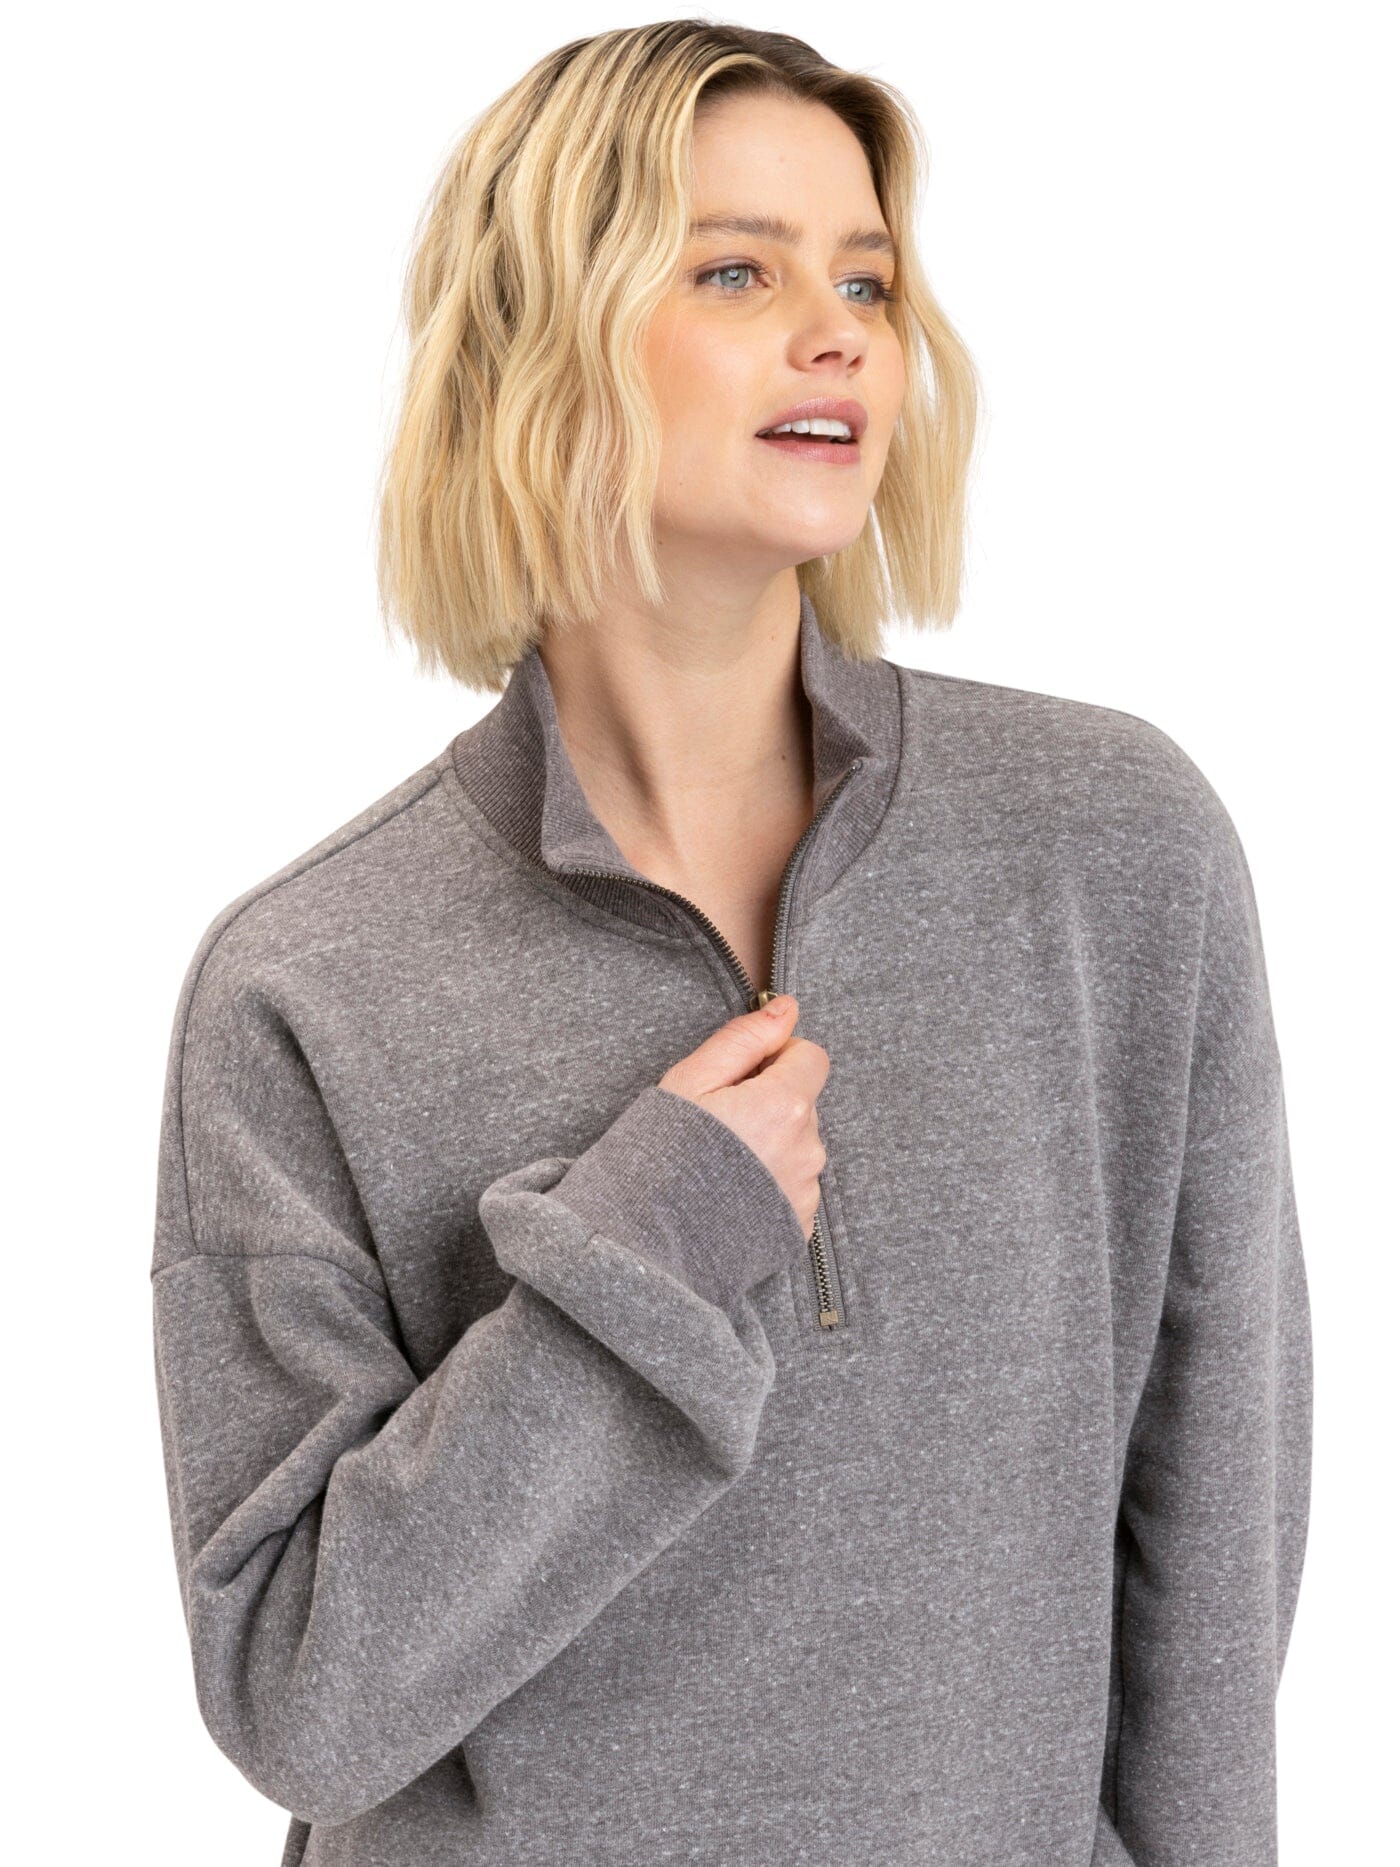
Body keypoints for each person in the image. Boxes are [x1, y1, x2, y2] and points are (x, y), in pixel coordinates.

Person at [148, 21, 1312, 1867]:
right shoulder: (310, 983)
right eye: (735, 272)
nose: (837, 332)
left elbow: (1211, 1553)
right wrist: (653, 1247)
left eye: (867, 279)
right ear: (541, 339)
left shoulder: (1112, 853)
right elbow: (303, 1698)